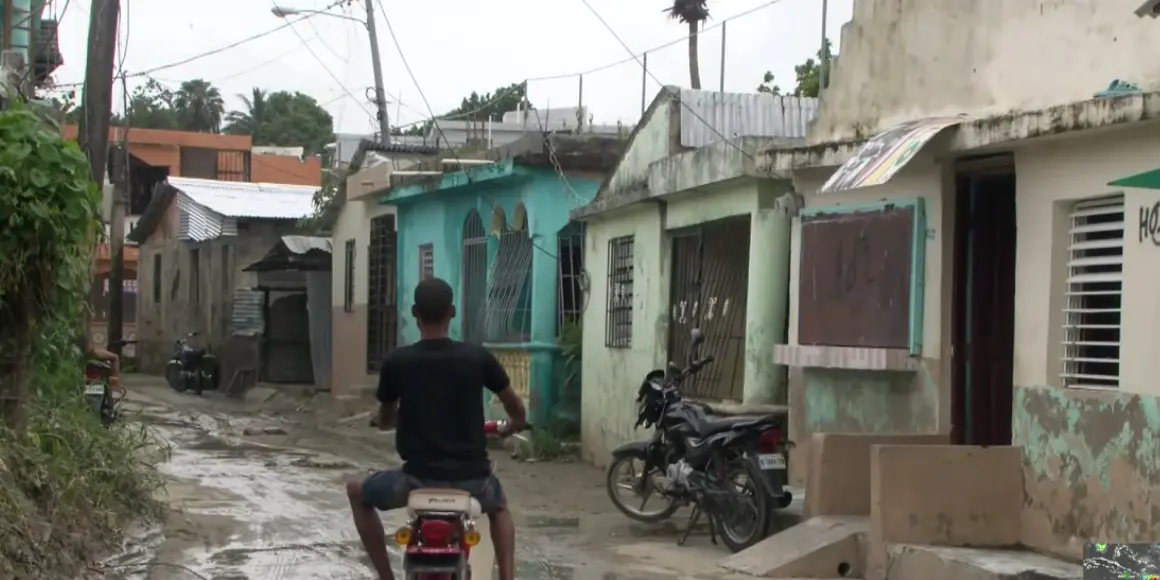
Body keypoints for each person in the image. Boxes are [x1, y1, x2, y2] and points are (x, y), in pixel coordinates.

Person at [346, 277, 528, 580]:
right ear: (452, 312)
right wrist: (513, 425)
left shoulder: (397, 362)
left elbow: (387, 418)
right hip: (472, 480)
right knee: (499, 507)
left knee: (356, 492)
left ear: (415, 313)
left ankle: (386, 577)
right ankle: (507, 577)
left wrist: (383, 420)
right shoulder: (477, 357)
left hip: (417, 479)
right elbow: (515, 407)